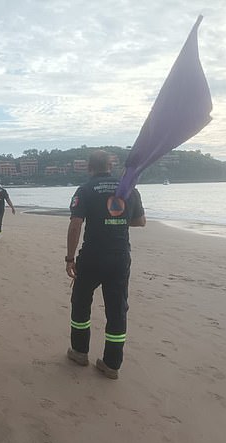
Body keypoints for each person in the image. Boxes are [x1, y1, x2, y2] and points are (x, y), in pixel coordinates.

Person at [65, 150, 146, 379]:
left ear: (90, 168)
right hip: (119, 258)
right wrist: (116, 221)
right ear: (110, 167)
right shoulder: (129, 188)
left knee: (81, 303)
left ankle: (80, 352)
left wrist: (70, 258)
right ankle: (111, 364)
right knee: (117, 309)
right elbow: (140, 221)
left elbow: (75, 225)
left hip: (92, 256)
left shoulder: (86, 190)